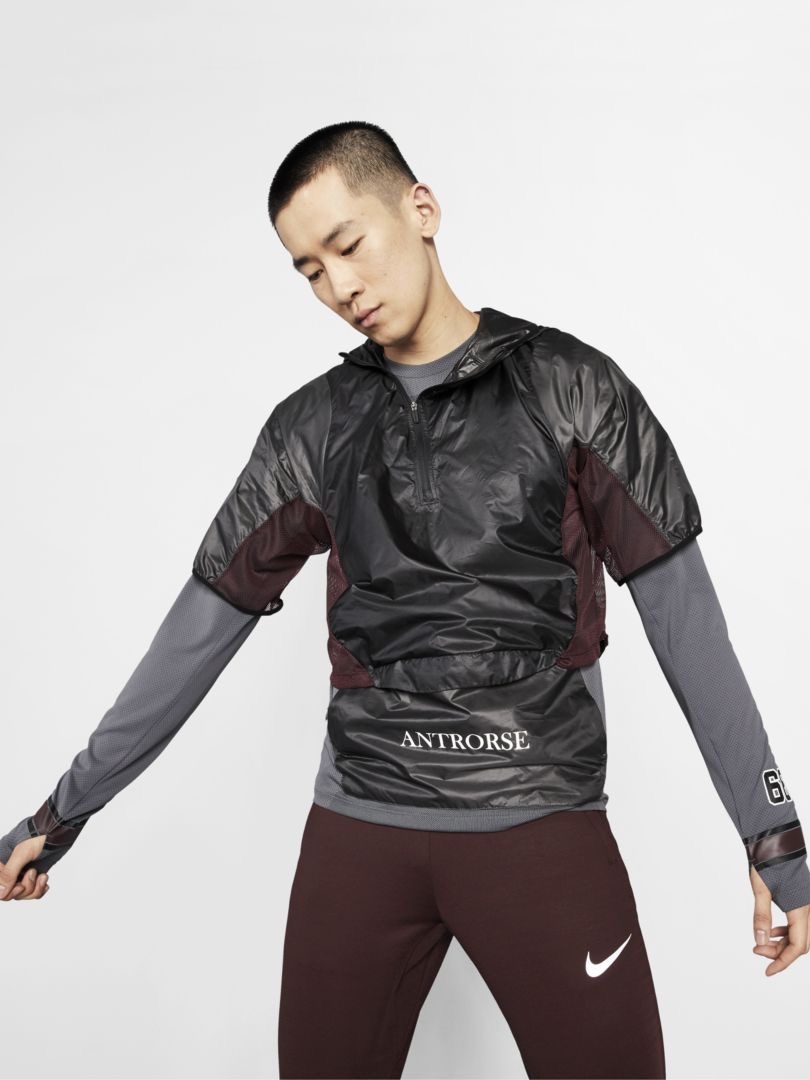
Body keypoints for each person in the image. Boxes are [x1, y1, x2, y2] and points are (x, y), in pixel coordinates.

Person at [1, 120, 808, 1079]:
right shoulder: (312, 428)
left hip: (539, 826)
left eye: (348, 245)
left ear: (421, 209)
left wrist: (776, 840)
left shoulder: (574, 389)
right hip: (360, 838)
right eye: (309, 270)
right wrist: (62, 810)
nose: (339, 287)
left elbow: (688, 627)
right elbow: (196, 636)